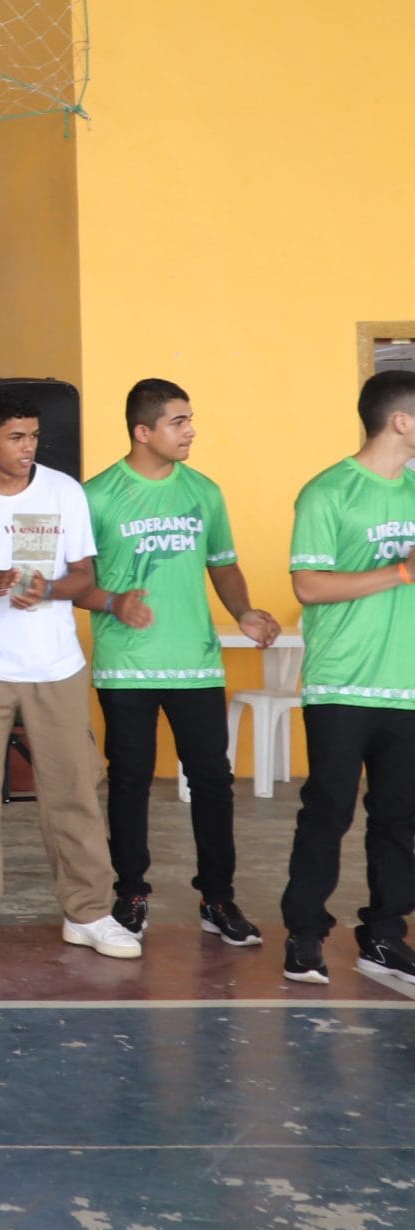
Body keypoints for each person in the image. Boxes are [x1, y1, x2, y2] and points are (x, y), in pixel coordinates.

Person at [0, 384, 139, 960]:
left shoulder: (63, 491)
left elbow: (84, 576)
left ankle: (89, 913)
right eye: (16, 437)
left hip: (55, 664)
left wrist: (49, 589)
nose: (28, 447)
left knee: (73, 789)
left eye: (34, 436)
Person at [76, 379, 280, 946]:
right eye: (178, 421)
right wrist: (113, 603)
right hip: (126, 664)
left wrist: (243, 611)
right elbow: (75, 581)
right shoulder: (96, 496)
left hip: (196, 662)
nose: (191, 431)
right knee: (130, 780)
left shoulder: (204, 492)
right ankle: (130, 893)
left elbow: (223, 563)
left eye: (190, 419)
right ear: (143, 431)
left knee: (213, 781)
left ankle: (218, 897)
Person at [278, 371, 415, 987]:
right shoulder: (327, 491)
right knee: (327, 812)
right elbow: (308, 586)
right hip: (342, 684)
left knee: (399, 819)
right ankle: (304, 934)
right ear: (400, 421)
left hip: (406, 685)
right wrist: (401, 572)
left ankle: (384, 936)